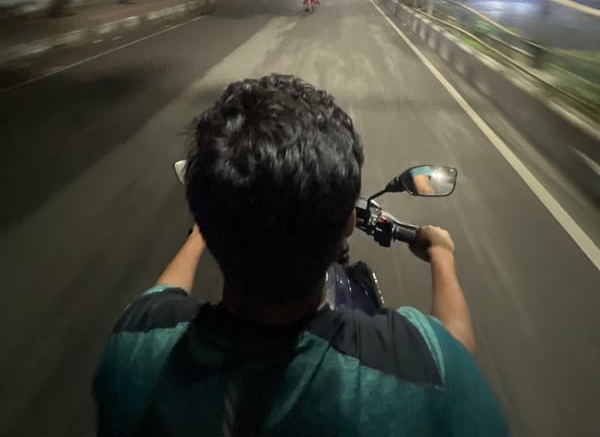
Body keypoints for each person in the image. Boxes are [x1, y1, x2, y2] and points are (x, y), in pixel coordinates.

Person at [94, 75, 508, 436]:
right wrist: (442, 255)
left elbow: (165, 291)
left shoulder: (135, 343)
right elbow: (454, 347)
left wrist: (201, 231)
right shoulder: (415, 373)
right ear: (349, 221)